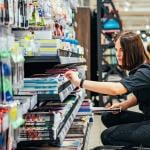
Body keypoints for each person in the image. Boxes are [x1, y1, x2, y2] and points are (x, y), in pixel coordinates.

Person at [65, 31, 150, 147]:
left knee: (108, 136)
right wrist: (124, 105)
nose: (118, 54)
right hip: (147, 118)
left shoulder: (145, 72)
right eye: (116, 50)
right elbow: (142, 92)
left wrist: (80, 82)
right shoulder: (139, 69)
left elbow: (116, 89)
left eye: (122, 50)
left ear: (132, 51)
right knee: (108, 116)